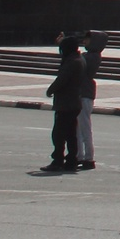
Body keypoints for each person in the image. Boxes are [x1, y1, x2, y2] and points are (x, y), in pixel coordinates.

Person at [44, 38, 86, 172]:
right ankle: (71, 160)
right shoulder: (79, 60)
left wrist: (50, 90)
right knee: (70, 134)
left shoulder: (72, 62)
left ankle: (58, 160)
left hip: (66, 103)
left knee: (59, 133)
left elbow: (62, 79)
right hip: (74, 102)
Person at [75, 31, 106, 169]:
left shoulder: (93, 57)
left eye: (87, 40)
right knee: (78, 127)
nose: (84, 42)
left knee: (84, 127)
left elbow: (78, 62)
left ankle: (88, 157)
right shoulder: (89, 56)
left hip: (85, 94)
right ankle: (79, 155)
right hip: (81, 93)